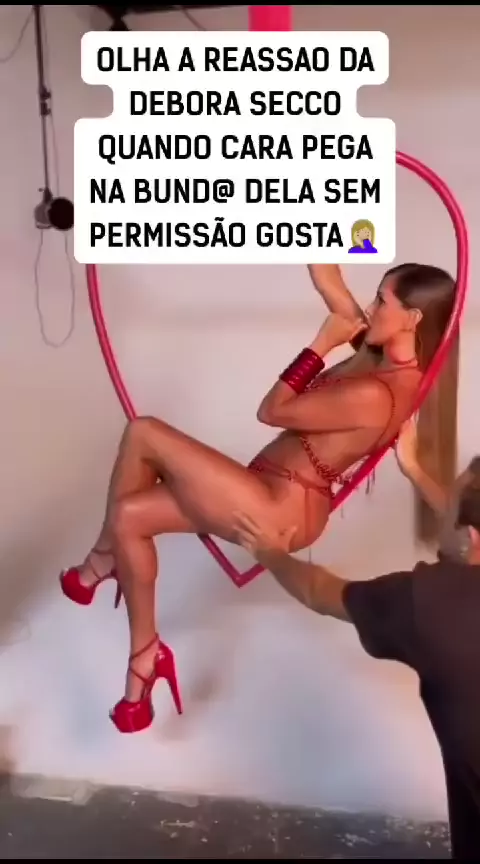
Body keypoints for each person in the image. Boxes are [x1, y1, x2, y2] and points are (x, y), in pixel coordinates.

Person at [60, 263, 455, 735]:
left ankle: (103, 560)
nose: (371, 309)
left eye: (382, 301)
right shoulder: (381, 358)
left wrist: (321, 344)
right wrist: (311, 219)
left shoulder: (377, 393)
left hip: (282, 506)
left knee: (144, 433)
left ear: (412, 318)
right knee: (129, 516)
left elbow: (273, 411)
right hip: (267, 486)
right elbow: (330, 282)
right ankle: (145, 658)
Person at [233, 423, 480, 861]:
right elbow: (461, 528)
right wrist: (414, 470)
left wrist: (269, 551)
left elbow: (318, 591)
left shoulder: (429, 604)